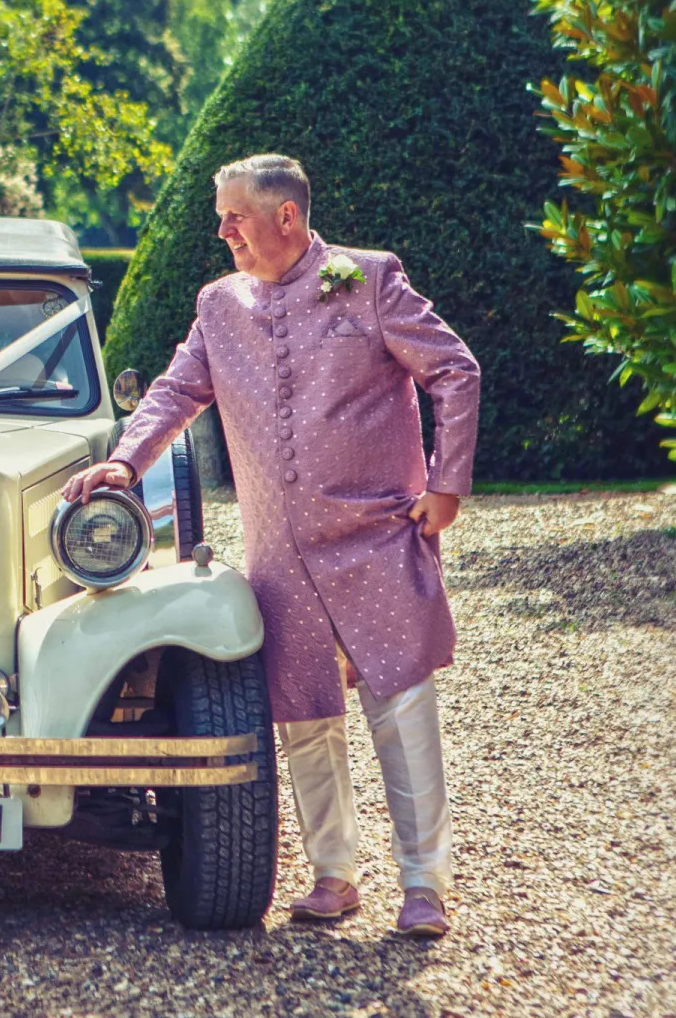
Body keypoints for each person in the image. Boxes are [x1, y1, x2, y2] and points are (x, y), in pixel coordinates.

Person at [63, 155, 479, 937]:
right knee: (302, 714)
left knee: (400, 704)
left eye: (234, 217)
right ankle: (334, 874)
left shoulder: (369, 278)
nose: (221, 231)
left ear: (286, 217)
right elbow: (177, 390)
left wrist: (446, 486)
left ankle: (425, 884)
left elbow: (455, 370)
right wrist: (124, 460)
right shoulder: (217, 306)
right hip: (279, 553)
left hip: (378, 533)